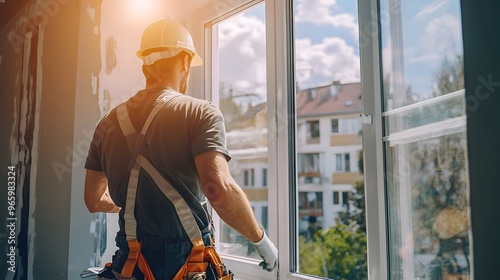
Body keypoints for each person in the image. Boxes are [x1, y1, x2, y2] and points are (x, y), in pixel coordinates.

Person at [84, 19, 278, 279]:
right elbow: (217, 190)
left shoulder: (106, 124)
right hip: (188, 268)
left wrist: (140, 206)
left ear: (145, 65)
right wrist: (262, 242)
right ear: (185, 61)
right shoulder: (200, 112)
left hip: (129, 267)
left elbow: (94, 200)